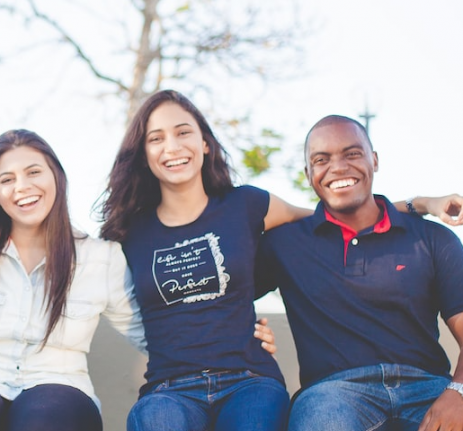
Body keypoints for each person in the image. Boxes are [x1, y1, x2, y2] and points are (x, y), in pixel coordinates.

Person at [97, 90, 457, 431]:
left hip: (263, 380)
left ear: (205, 143)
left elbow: (345, 212)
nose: (173, 146)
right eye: (156, 138)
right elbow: (209, 295)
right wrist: (243, 325)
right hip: (196, 388)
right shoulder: (132, 231)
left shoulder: (249, 205)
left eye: (183, 132)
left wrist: (420, 204)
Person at [0, 129, 277, 431]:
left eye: (33, 172)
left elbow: (155, 334)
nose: (22, 187)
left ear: (56, 177)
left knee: (43, 413)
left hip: (60, 389)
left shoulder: (100, 258)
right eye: (7, 179)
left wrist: (236, 335)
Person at [255, 115, 463, 431]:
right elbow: (220, 296)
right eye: (321, 160)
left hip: (427, 387)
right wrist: (250, 332)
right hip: (333, 394)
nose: (338, 167)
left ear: (374, 160)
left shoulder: (431, 238)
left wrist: (458, 391)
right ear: (308, 174)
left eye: (352, 154)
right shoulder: (284, 243)